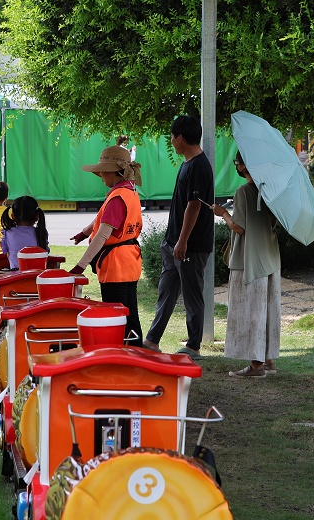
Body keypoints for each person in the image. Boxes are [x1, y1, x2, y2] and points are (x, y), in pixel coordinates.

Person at [142, 114, 215, 359]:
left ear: (180, 137)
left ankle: (194, 346)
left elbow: (194, 206)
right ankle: (152, 340)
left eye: (172, 137)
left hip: (190, 246)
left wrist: (183, 241)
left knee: (192, 295)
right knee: (167, 291)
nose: (171, 141)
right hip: (174, 243)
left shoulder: (198, 166)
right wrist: (173, 240)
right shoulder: (188, 163)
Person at [212, 151, 280, 377]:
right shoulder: (271, 190)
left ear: (244, 166)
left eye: (238, 162)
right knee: (267, 310)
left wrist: (222, 213)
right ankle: (268, 359)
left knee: (251, 311)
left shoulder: (243, 191)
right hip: (269, 257)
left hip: (248, 259)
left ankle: (256, 366)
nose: (237, 166)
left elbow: (239, 227)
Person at [69, 145, 144, 347]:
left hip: (115, 266)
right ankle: (137, 357)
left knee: (117, 319)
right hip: (130, 261)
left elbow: (103, 233)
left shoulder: (117, 196)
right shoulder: (128, 191)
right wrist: (85, 233)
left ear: (113, 172)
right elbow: (103, 218)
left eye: (102, 171)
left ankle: (124, 360)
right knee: (131, 318)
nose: (100, 175)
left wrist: (81, 265)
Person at [0, 195, 49, 269]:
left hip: (16, 277)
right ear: (37, 216)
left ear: (13, 216)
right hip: (37, 277)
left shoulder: (8, 233)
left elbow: (8, 254)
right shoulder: (41, 233)